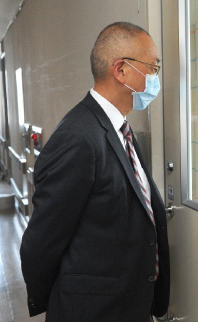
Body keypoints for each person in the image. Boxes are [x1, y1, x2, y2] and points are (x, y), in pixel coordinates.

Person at [20, 22, 170, 322]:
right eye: (152, 68)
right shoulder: (77, 138)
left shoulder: (119, 129)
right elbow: (41, 244)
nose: (155, 77)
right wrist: (65, 302)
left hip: (129, 305)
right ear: (122, 70)